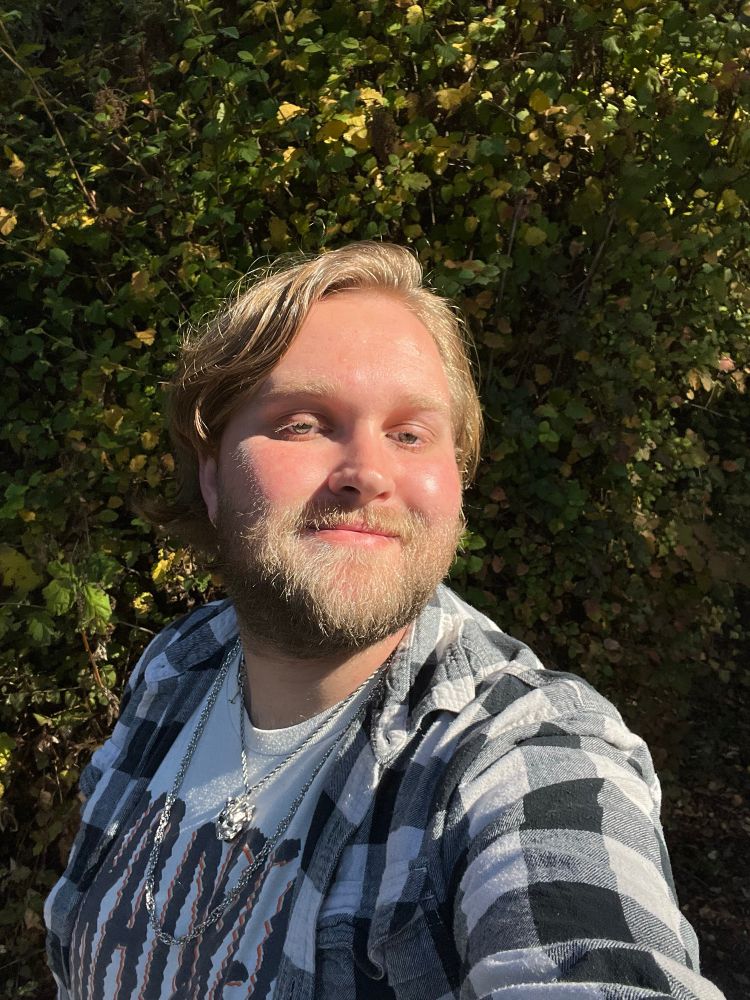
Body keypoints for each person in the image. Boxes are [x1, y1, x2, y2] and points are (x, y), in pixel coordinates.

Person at [45, 243, 723, 999]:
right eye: (303, 422)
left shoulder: (523, 755)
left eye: (409, 434)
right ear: (211, 474)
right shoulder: (179, 665)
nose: (367, 472)